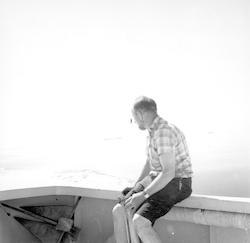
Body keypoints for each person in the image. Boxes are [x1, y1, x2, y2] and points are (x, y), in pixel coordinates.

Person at [112, 96, 193, 243]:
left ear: (140, 114)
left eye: (133, 117)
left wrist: (143, 195)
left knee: (139, 221)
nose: (134, 121)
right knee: (120, 210)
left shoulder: (164, 132)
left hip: (177, 182)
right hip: (157, 178)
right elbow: (150, 164)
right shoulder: (152, 132)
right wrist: (135, 187)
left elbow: (169, 172)